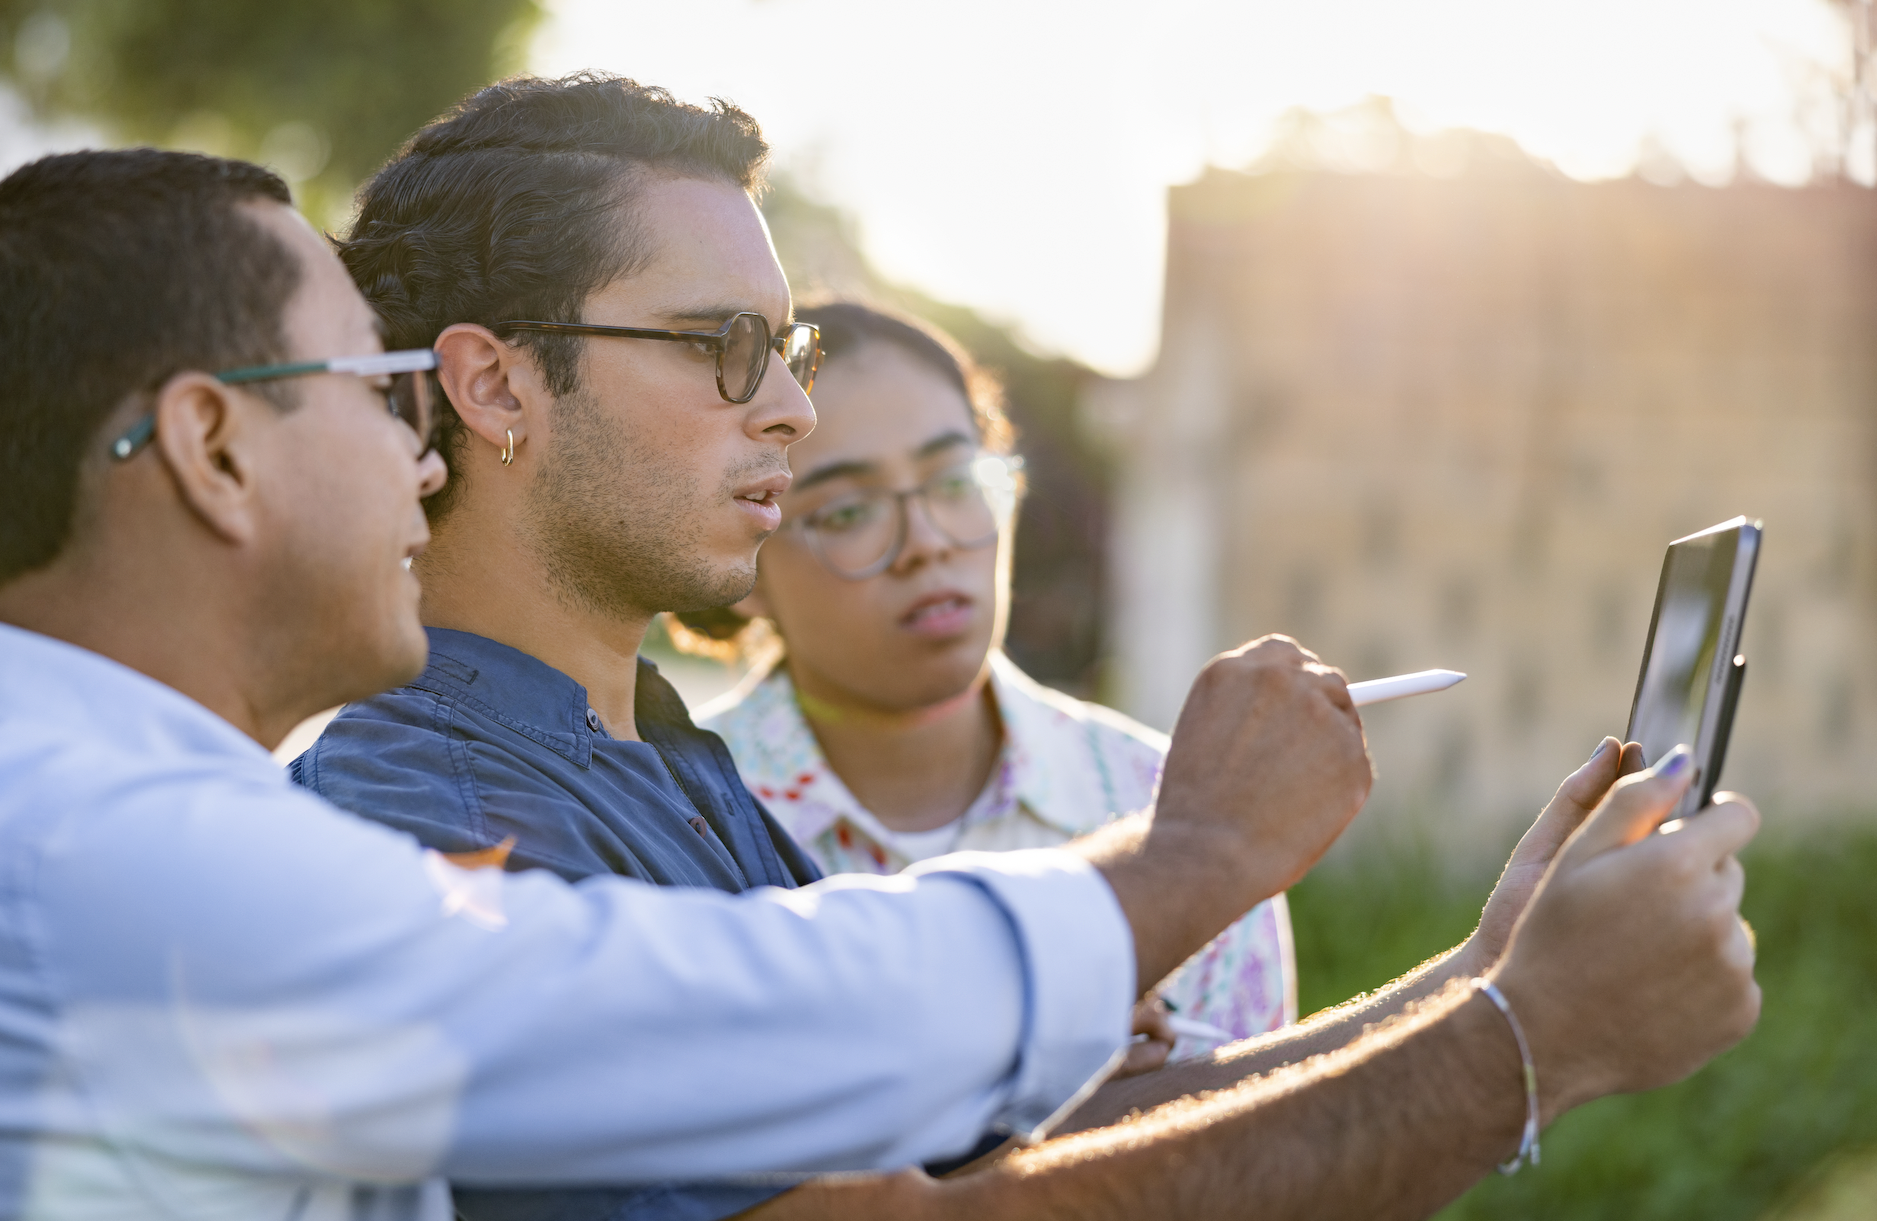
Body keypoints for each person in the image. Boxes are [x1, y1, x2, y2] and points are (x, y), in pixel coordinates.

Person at [0, 147, 1376, 1220]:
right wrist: (1194, 861)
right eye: (380, 388)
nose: (418, 450)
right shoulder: (90, 860)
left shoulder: (36, 821)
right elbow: (699, 1022)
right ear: (214, 448)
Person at [296, 71, 1762, 1220]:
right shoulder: (431, 825)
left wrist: (1482, 977)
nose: (791, 412)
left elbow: (974, 1171)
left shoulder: (656, 760)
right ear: (496, 387)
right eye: (721, 346)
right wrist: (1523, 1040)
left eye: (784, 353)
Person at [683, 301, 1288, 1066]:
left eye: (953, 480)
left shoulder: (1169, 805)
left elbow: (1267, 1121)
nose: (926, 544)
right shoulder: (674, 825)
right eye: (847, 511)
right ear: (740, 554)